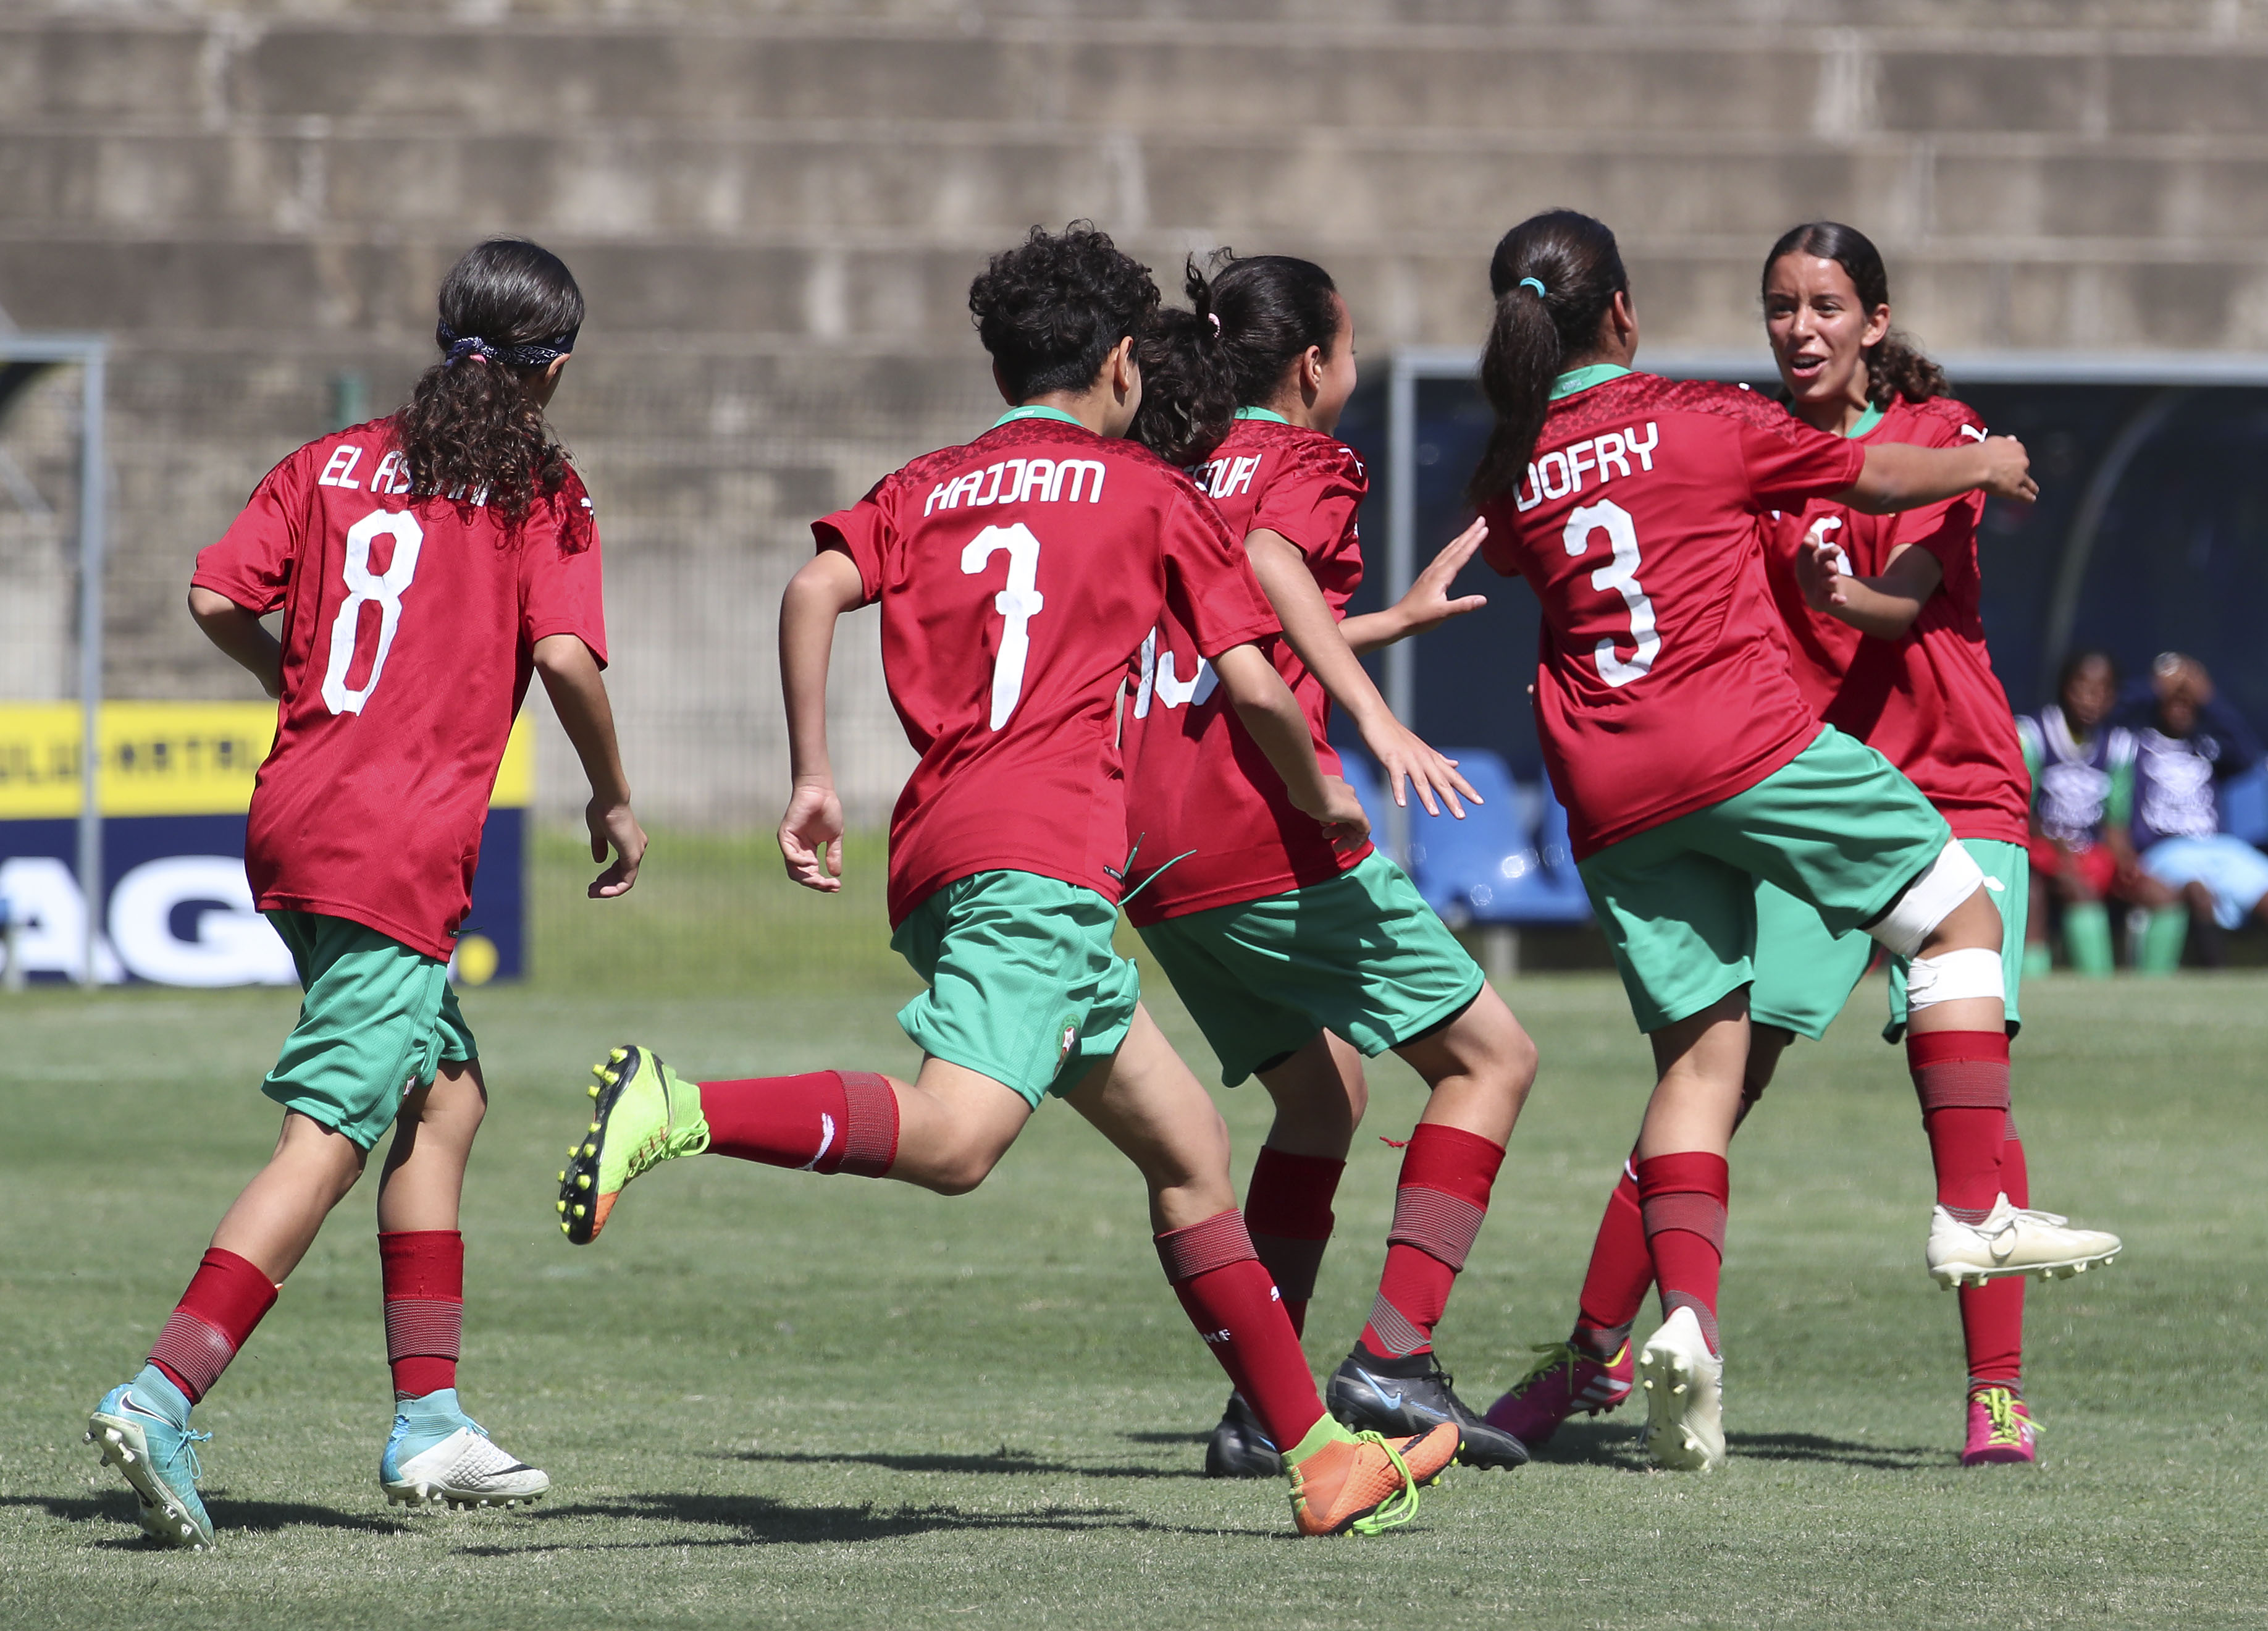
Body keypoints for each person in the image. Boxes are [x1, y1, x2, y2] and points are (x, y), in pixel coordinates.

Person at [551, 224, 1458, 1538]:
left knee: (1194, 1154)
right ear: (1123, 363)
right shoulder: (1154, 494)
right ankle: (679, 1106)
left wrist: (812, 775)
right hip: (1035, 860)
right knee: (963, 1141)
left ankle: (1318, 1459)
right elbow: (1255, 679)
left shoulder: (931, 484)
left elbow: (813, 587)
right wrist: (1326, 791)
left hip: (956, 856)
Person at [1451, 208, 2105, 1473]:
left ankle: (1998, 1397)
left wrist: (1832, 595)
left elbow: (1901, 609)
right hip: (1792, 784)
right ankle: (1587, 1359)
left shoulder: (1936, 432)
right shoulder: (1724, 441)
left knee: (1963, 1077)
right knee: (1717, 1074)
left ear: (1876, 319)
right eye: (1780, 308)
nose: (1799, 330)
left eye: (1824, 308)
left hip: (1947, 782)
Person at [88, 239, 644, 1548]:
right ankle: (161, 1392)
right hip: (396, 849)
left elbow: (213, 592)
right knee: (328, 1133)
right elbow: (563, 654)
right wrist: (614, 797)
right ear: (553, 368)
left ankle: (429, 1420)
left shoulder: (328, 461)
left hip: (295, 820)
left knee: (445, 1099)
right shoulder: (538, 491)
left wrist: (299, 679)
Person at [1123, 253, 1539, 1477]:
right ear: (1313, 364)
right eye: (1351, 348)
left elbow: (1229, 618)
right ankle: (1393, 1365)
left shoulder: (1181, 464)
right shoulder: (1302, 463)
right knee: (1493, 1058)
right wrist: (1374, 720)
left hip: (1155, 845)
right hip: (1258, 825)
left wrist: (1381, 626)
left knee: (1323, 1099)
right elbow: (1267, 571)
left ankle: (1265, 1409)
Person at [2017, 651, 2158, 977]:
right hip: (2039, 849)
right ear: (2064, 688)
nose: (2092, 699)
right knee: (2066, 890)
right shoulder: (2033, 734)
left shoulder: (2119, 745)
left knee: (2157, 893)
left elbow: (2116, 823)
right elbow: (2019, 809)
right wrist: (2055, 845)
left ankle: (2155, 988)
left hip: (2091, 853)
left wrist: (2126, 862)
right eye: (2082, 688)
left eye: (2104, 691)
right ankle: (2090, 982)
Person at [2121, 652, 2268, 963]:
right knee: (2198, 891)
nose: (2181, 706)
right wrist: (2154, 686)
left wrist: (2209, 697)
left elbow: (2249, 754)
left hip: (2219, 848)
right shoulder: (2134, 744)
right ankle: (2216, 981)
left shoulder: (2207, 746)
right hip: (2165, 850)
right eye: (2174, 699)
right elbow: (2108, 714)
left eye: (2189, 702)